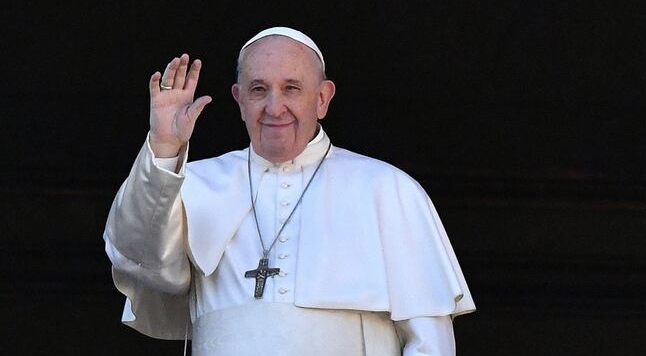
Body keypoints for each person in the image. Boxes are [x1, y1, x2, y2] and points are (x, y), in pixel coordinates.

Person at [103, 27, 475, 355]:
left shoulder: (388, 190)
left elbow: (430, 341)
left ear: (323, 98)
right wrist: (164, 147)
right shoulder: (193, 184)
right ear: (239, 99)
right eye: (258, 89)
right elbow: (141, 262)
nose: (274, 107)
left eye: (291, 88)